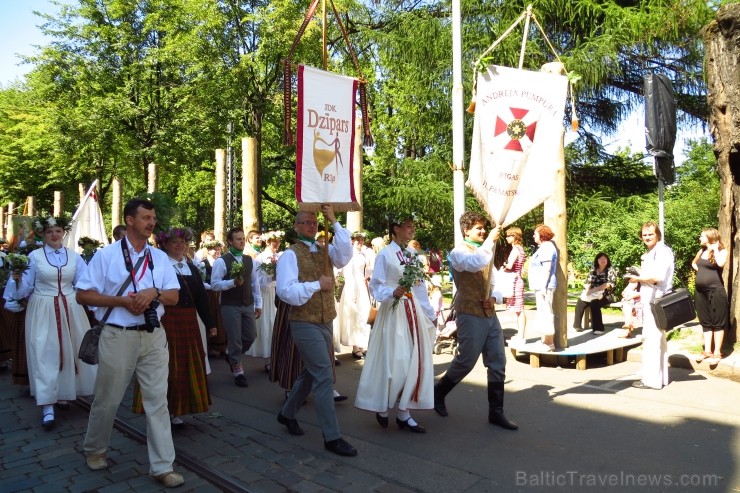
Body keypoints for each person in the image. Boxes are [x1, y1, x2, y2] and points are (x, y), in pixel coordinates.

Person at [76, 198, 184, 487]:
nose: (151, 222)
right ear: (129, 220)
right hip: (116, 334)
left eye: (153, 217)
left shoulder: (159, 258)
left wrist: (153, 293)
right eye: (146, 217)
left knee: (158, 402)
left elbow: (174, 296)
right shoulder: (106, 255)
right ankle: (95, 450)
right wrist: (122, 301)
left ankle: (163, 466)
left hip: (153, 335)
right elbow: (83, 295)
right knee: (108, 398)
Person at [276, 205, 357, 457]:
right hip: (303, 321)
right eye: (306, 223)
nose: (311, 226)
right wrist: (315, 285)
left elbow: (345, 255)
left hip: (325, 319)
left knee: (311, 373)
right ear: (296, 227)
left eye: (314, 223)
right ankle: (332, 437)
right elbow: (286, 291)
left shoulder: (325, 250)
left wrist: (333, 220)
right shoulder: (290, 255)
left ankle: (287, 413)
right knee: (323, 375)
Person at [6, 215, 96, 430]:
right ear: (43, 234)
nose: (54, 234)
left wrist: (96, 305)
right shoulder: (34, 257)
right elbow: (24, 288)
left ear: (64, 232)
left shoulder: (74, 257)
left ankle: (64, 394)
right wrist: (18, 281)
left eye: (58, 230)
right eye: (49, 231)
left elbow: (85, 283)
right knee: (45, 353)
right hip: (43, 307)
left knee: (71, 350)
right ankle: (47, 404)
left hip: (71, 308)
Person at [433, 211, 518, 430]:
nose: (482, 231)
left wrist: (494, 297)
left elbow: (495, 279)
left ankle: (496, 413)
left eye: (483, 227)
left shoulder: (484, 250)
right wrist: (490, 239)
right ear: (466, 230)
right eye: (478, 228)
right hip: (469, 312)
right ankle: (438, 393)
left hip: (489, 314)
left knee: (498, 362)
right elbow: (474, 264)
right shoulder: (459, 252)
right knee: (466, 361)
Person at [355, 214, 436, 433]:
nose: (412, 230)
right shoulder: (385, 255)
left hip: (412, 311)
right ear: (396, 229)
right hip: (393, 312)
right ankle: (382, 404)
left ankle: (403, 412)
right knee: (393, 360)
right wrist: (392, 291)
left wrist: (429, 313)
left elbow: (419, 289)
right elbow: (375, 286)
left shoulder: (412, 254)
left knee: (412, 360)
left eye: (412, 227)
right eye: (408, 227)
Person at [131, 227, 217, 428]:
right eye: (175, 242)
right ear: (165, 245)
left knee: (187, 364)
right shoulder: (160, 266)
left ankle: (179, 408)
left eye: (183, 242)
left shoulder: (191, 267)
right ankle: (163, 408)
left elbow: (201, 298)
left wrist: (210, 322)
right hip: (167, 319)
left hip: (189, 320)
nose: (180, 246)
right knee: (167, 364)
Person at [210, 227, 262, 387]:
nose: (242, 241)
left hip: (247, 303)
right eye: (238, 239)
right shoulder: (221, 261)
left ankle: (232, 356)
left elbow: (255, 283)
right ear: (230, 241)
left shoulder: (249, 260)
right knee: (235, 339)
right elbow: (215, 285)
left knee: (251, 335)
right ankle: (238, 371)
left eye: (243, 238)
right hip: (230, 305)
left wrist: (258, 303)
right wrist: (232, 283)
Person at [625, 221, 674, 390]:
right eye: (644, 235)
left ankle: (651, 380)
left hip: (656, 302)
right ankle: (660, 378)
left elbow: (657, 278)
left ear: (658, 235)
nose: (647, 237)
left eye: (650, 234)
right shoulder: (655, 251)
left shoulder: (660, 252)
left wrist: (637, 279)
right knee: (658, 340)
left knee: (652, 340)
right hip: (653, 299)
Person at [247, 230, 283, 372]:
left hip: (278, 293)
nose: (277, 244)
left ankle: (275, 357)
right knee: (269, 324)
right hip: (266, 295)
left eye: (278, 241)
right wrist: (272, 278)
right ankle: (269, 359)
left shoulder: (279, 256)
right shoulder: (261, 258)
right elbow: (258, 281)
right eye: (274, 241)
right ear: (268, 242)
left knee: (277, 324)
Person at [692, 228, 728, 365]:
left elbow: (720, 263)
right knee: (705, 322)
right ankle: (707, 351)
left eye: (701, 236)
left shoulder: (722, 251)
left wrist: (716, 249)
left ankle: (717, 352)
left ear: (709, 237)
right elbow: (694, 263)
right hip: (700, 292)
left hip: (716, 292)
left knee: (717, 322)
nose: (699, 238)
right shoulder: (701, 251)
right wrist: (700, 272)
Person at [336, 231, 372, 359]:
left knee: (363, 315)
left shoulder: (363, 254)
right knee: (354, 315)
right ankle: (355, 347)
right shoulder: (350, 254)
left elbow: (368, 271)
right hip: (353, 286)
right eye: (358, 240)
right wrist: (352, 292)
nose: (360, 242)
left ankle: (361, 344)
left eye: (362, 239)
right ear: (352, 241)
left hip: (362, 285)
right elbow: (346, 272)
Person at [528, 224, 558, 351]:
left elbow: (547, 269)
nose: (533, 236)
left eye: (535, 233)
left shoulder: (547, 248)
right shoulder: (544, 247)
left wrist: (543, 287)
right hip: (541, 286)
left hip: (544, 286)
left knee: (546, 313)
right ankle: (545, 341)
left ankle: (549, 343)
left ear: (542, 235)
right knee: (543, 312)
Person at [573, 252, 617, 335]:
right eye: (600, 258)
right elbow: (587, 282)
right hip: (593, 294)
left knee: (594, 303)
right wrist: (588, 289)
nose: (603, 260)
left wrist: (594, 289)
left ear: (607, 260)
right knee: (580, 301)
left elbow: (609, 284)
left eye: (605, 258)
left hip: (607, 295)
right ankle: (577, 325)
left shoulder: (611, 270)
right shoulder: (593, 270)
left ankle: (599, 328)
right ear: (597, 260)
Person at [503, 226, 527, 340]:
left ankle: (521, 336)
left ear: (515, 236)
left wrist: (504, 266)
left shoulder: (515, 249)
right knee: (519, 309)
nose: (507, 238)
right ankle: (521, 334)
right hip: (518, 279)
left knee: (519, 309)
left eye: (509, 236)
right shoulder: (521, 249)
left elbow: (510, 265)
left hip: (515, 280)